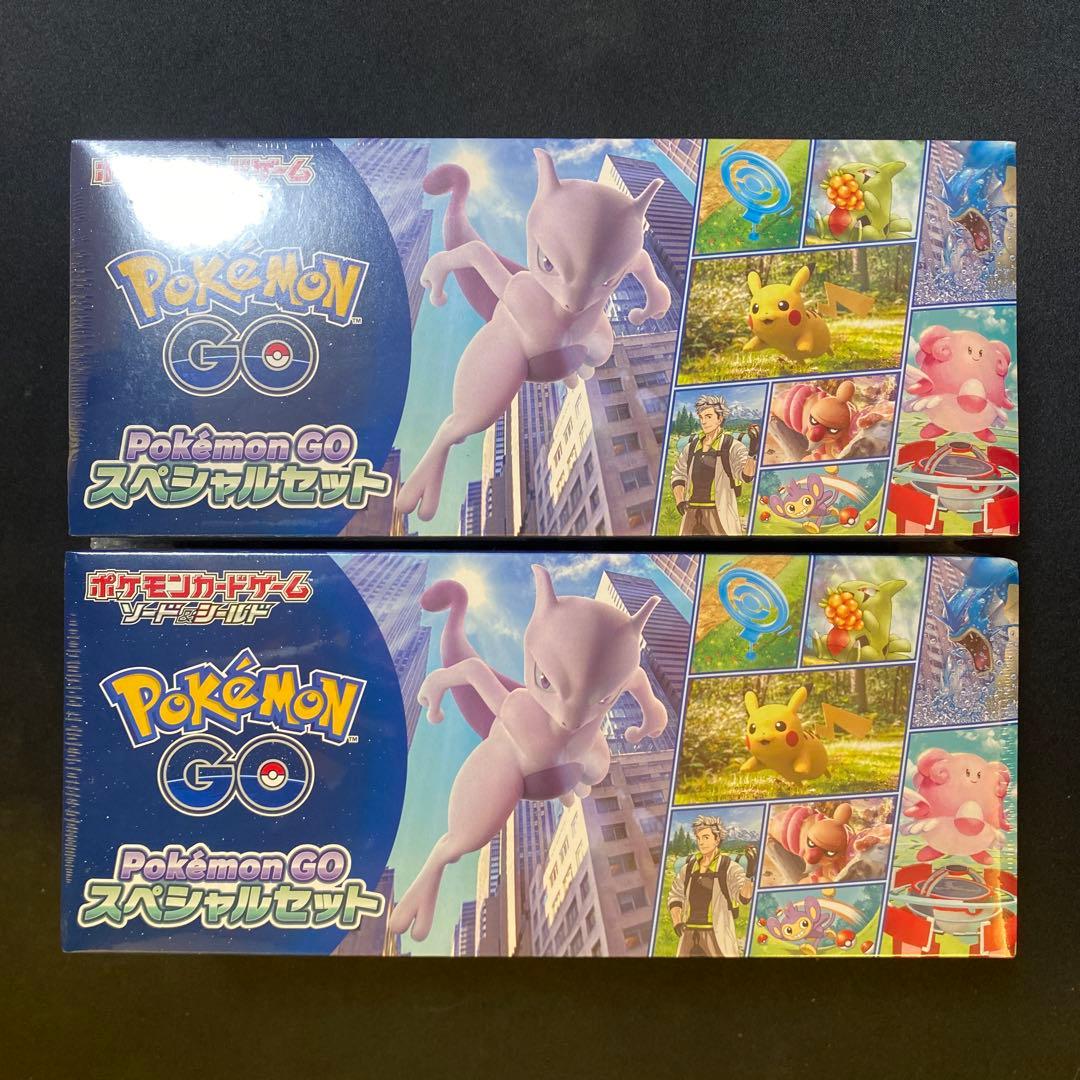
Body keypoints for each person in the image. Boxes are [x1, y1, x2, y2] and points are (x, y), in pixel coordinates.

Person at [668, 814, 757, 957]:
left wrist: (749, 875)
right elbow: (675, 896)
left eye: (706, 837)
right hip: (688, 933)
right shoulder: (688, 868)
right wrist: (677, 922)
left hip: (716, 935)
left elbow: (744, 898)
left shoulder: (729, 867)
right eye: (698, 838)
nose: (701, 843)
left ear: (717, 839)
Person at [670, 394, 759, 535]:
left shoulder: (732, 446)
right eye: (701, 417)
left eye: (708, 416)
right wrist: (680, 501)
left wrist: (752, 453)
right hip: (691, 513)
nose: (703, 422)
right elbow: (678, 475)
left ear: (720, 418)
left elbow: (746, 476)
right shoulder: (691, 447)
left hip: (719, 514)